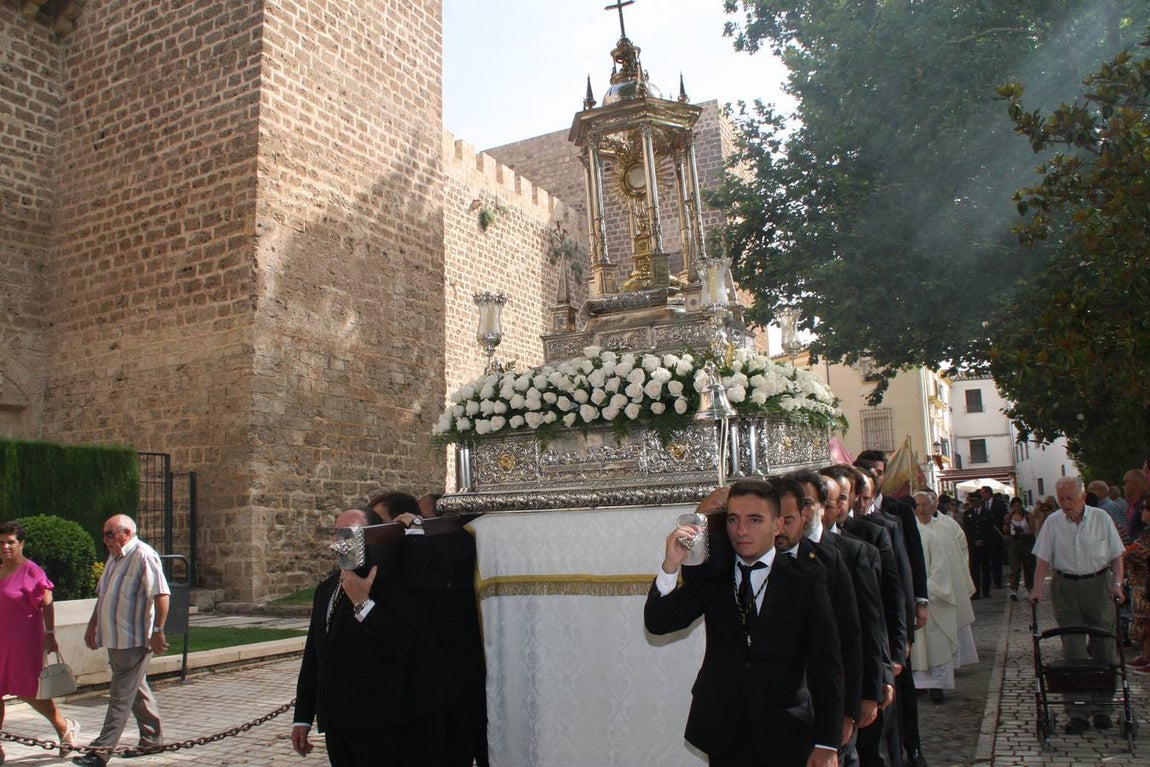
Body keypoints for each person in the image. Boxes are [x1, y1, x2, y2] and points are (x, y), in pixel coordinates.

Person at [645, 479, 843, 767]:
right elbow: (658, 622)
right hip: (723, 729)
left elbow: (828, 665)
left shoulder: (805, 579)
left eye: (754, 520)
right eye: (733, 520)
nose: (741, 531)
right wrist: (670, 566)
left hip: (786, 731)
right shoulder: (712, 576)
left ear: (777, 525)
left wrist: (827, 742)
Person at [292, 509, 415, 766]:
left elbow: (400, 642)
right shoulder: (326, 589)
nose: (338, 542)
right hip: (336, 722)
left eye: (349, 534)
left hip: (378, 722)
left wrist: (363, 603)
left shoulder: (391, 585)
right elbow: (315, 654)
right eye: (337, 533)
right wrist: (303, 718)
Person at [1029, 476, 1126, 735]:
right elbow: (1042, 560)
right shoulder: (1053, 522)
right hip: (1066, 586)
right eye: (1061, 498)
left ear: (1083, 496)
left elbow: (1117, 556)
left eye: (1070, 498)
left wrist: (1117, 584)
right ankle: (1077, 712)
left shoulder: (1101, 519)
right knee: (1072, 650)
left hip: (1098, 584)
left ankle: (1103, 709)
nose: (1065, 503)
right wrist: (1037, 588)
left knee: (1104, 646)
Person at [73, 516, 169, 767]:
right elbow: (103, 595)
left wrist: (158, 630)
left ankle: (100, 752)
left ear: (125, 533)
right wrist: (93, 626)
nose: (104, 539)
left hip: (134, 640)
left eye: (109, 534)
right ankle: (152, 739)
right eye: (104, 534)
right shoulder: (115, 557)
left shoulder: (143, 555)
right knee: (135, 689)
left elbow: (161, 594)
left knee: (119, 696)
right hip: (115, 638)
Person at [0, 521, 80, 764]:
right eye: (1, 542)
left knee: (28, 691)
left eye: (10, 542)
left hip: (24, 641)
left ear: (21, 544)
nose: (5, 547)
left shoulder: (32, 571)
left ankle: (64, 727)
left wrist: (50, 635)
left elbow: (47, 603)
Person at [908, 492, 976, 703]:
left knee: (938, 643)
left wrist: (927, 588)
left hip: (937, 597)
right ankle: (919, 684)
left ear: (932, 505)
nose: (921, 509)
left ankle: (938, 686)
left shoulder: (944, 528)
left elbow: (944, 565)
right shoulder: (909, 532)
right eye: (917, 505)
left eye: (924, 505)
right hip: (916, 597)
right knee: (919, 645)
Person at [1125, 494, 1150, 673]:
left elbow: (1137, 552)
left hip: (1145, 581)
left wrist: (1123, 553)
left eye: (1145, 508)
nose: (1141, 512)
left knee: (1146, 619)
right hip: (1141, 581)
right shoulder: (1146, 530)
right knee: (1145, 621)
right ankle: (1146, 656)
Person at [1004, 497, 1036, 600]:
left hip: (1026, 542)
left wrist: (1023, 532)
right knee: (1015, 567)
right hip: (1014, 542)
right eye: (1014, 506)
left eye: (1018, 505)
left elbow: (1033, 530)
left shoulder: (1027, 516)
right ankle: (1014, 589)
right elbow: (1006, 530)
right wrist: (1007, 521)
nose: (1017, 508)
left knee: (1028, 566)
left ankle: (1029, 588)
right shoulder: (1010, 517)